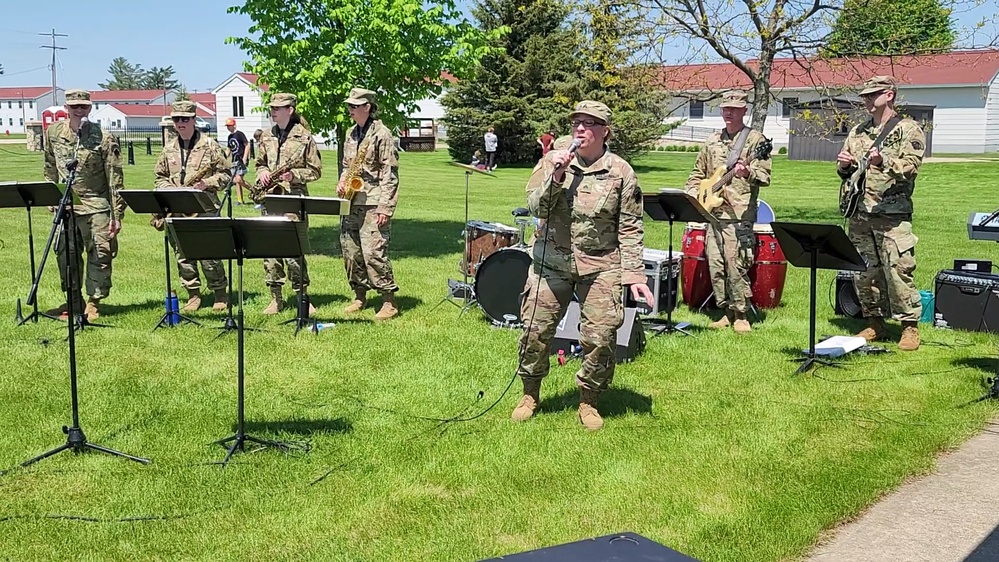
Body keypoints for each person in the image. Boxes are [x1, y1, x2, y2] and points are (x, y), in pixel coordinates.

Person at [511, 101, 654, 431]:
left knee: (601, 336)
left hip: (601, 265)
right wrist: (557, 174)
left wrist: (634, 275)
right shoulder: (555, 158)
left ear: (605, 131)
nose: (580, 128)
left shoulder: (621, 172)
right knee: (534, 331)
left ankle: (589, 399)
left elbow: (630, 226)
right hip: (551, 263)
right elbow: (535, 205)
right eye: (577, 122)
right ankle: (530, 393)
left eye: (590, 123)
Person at [836, 75, 926, 351]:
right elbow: (847, 171)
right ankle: (875, 321)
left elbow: (911, 167)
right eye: (864, 96)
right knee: (864, 270)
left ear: (889, 94)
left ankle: (909, 327)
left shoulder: (909, 129)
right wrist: (844, 165)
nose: (866, 100)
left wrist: (883, 160)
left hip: (891, 214)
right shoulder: (858, 131)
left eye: (872, 94)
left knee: (898, 270)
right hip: (860, 213)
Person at [683, 90, 771, 333]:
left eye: (734, 108)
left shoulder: (755, 140)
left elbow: (764, 177)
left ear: (744, 110)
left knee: (737, 264)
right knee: (717, 263)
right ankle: (724, 310)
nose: (729, 112)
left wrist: (747, 173)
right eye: (725, 108)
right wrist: (694, 192)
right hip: (713, 214)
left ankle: (741, 313)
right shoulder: (712, 141)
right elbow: (697, 173)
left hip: (739, 215)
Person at [42, 89, 126, 323]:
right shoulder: (53, 132)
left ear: (90, 108)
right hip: (67, 205)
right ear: (66, 108)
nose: (79, 110)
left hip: (96, 205)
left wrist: (116, 214)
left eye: (84, 106)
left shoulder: (103, 137)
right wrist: (51, 195)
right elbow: (49, 164)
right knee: (65, 254)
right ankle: (73, 299)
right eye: (74, 106)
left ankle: (93, 302)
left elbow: (115, 178)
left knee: (100, 253)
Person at [152, 100, 231, 312]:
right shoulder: (168, 148)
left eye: (185, 119)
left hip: (205, 206)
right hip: (177, 206)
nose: (180, 123)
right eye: (176, 119)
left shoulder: (211, 146)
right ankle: (193, 294)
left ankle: (219, 293)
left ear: (194, 120)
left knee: (209, 253)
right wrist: (169, 190)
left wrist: (207, 183)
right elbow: (159, 177)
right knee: (183, 254)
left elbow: (225, 175)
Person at [255, 92, 323, 314]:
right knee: (271, 250)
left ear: (290, 110)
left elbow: (315, 170)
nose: (273, 110)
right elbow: (259, 164)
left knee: (295, 251)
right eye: (272, 107)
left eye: (278, 107)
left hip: (294, 201)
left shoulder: (305, 138)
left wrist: (295, 176)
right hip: (271, 199)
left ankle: (303, 297)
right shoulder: (265, 136)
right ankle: (275, 298)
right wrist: (263, 172)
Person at [337, 87, 401, 320]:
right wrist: (343, 182)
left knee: (374, 253)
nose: (350, 110)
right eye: (349, 106)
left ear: (367, 107)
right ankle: (359, 295)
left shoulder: (383, 134)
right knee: (350, 252)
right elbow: (346, 165)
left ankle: (388, 301)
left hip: (374, 202)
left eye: (354, 106)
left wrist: (385, 207)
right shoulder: (351, 134)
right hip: (352, 201)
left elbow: (389, 174)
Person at [225, 117, 250, 205]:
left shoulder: (239, 134)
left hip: (241, 160)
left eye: (230, 125)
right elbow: (229, 148)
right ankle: (240, 200)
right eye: (227, 126)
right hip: (234, 160)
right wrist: (224, 157)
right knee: (236, 181)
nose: (228, 127)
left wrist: (245, 158)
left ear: (234, 125)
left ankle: (253, 190)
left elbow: (247, 145)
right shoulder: (229, 136)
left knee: (239, 179)